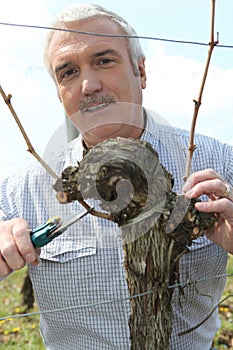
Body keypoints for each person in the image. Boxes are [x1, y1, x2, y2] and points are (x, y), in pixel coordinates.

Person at [0, 3, 233, 349]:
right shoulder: (19, 192)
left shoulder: (221, 164)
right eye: (68, 72)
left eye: (104, 61)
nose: (89, 85)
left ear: (141, 71)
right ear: (59, 93)